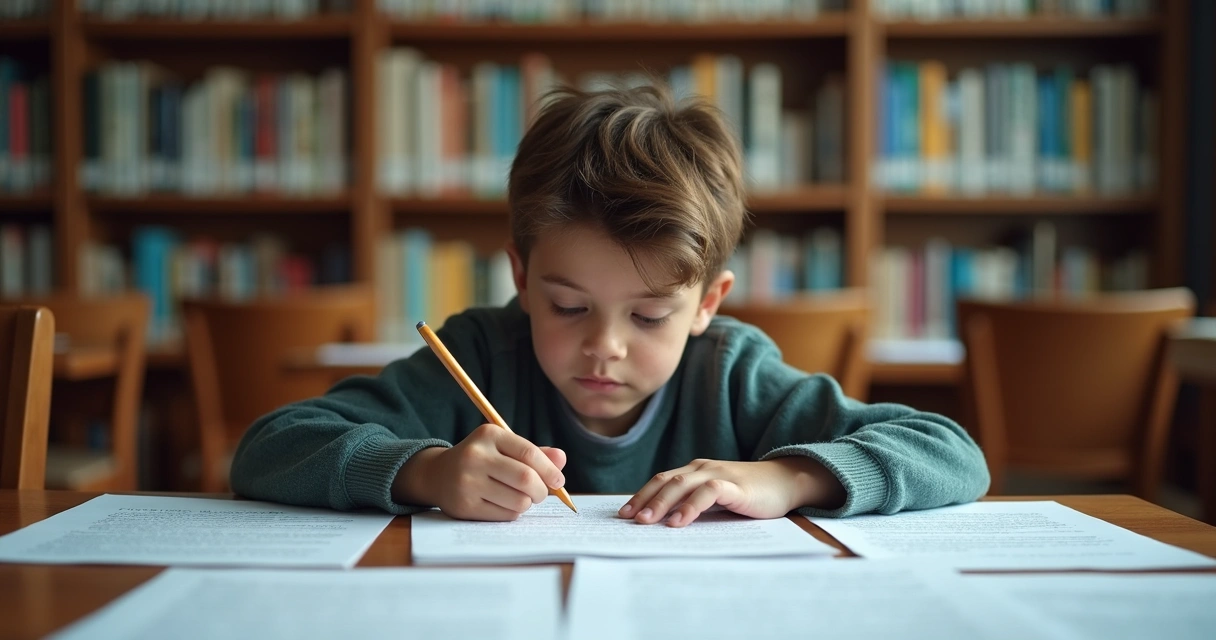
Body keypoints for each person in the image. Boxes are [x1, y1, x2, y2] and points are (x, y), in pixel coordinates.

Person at [230, 84, 989, 526]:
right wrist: (423, 472)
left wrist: (786, 480)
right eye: (567, 306)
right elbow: (272, 444)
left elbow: (953, 453)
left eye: (650, 316)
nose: (605, 347)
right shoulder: (482, 353)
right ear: (522, 278)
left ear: (707, 304)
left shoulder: (732, 373)